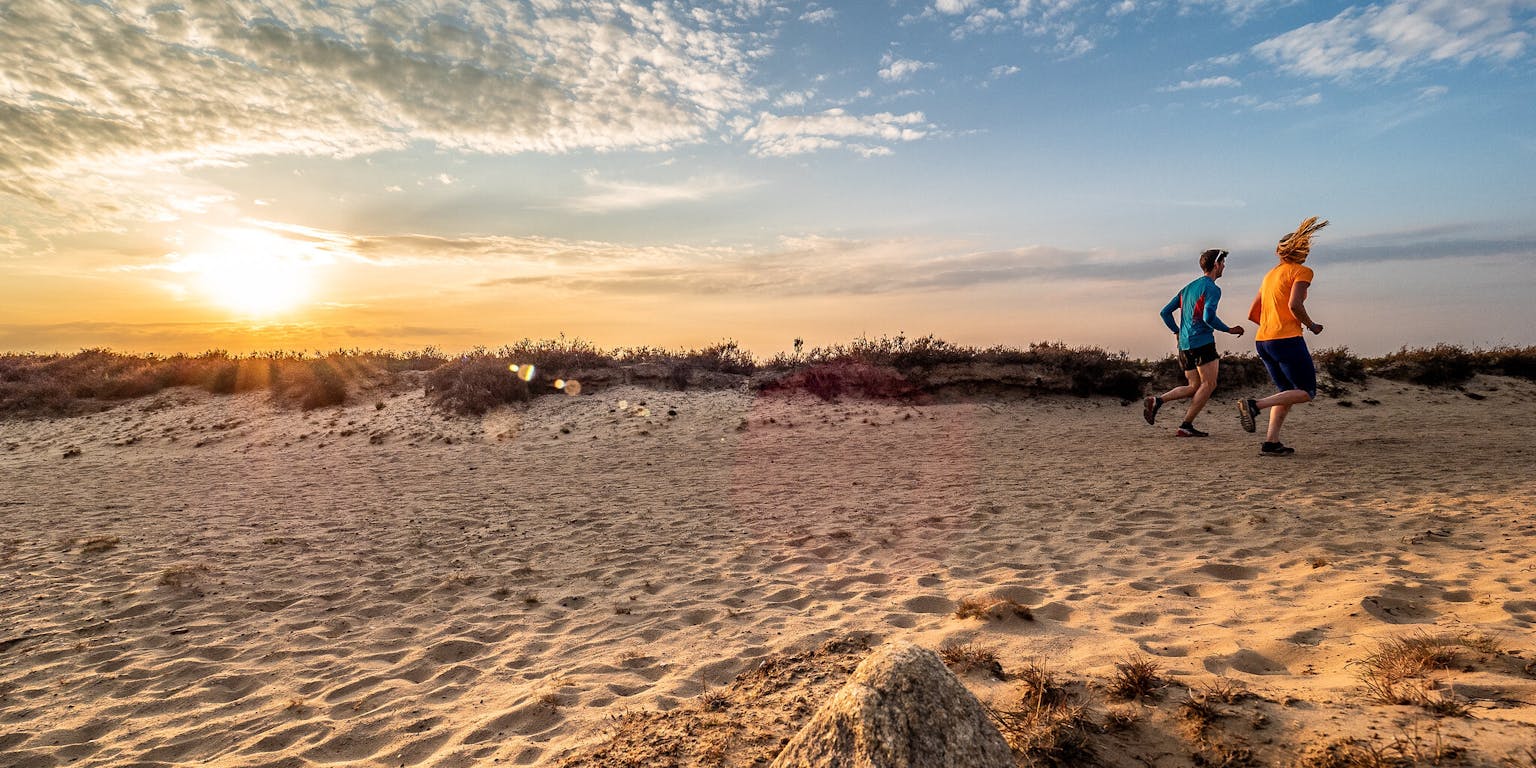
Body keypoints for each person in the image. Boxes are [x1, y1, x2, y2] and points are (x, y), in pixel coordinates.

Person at [1237, 217, 1328, 456]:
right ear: (1300, 250)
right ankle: (1254, 406)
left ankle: (1271, 443)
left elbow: (1252, 313)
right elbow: (1295, 304)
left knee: (1286, 392)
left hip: (1263, 340)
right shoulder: (1302, 271)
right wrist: (1311, 325)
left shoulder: (1269, 276)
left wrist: (1271, 326)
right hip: (1286, 340)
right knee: (1307, 392)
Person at [1144, 248, 1244, 436]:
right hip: (1202, 342)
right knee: (1209, 384)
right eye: (1223, 263)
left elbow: (1164, 312)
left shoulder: (1188, 288)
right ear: (1216, 265)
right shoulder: (1212, 288)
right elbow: (1208, 316)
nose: (1224, 267)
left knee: (1194, 386)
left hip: (1184, 344)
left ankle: (1157, 401)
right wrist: (1229, 329)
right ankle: (1186, 425)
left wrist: (1176, 331)